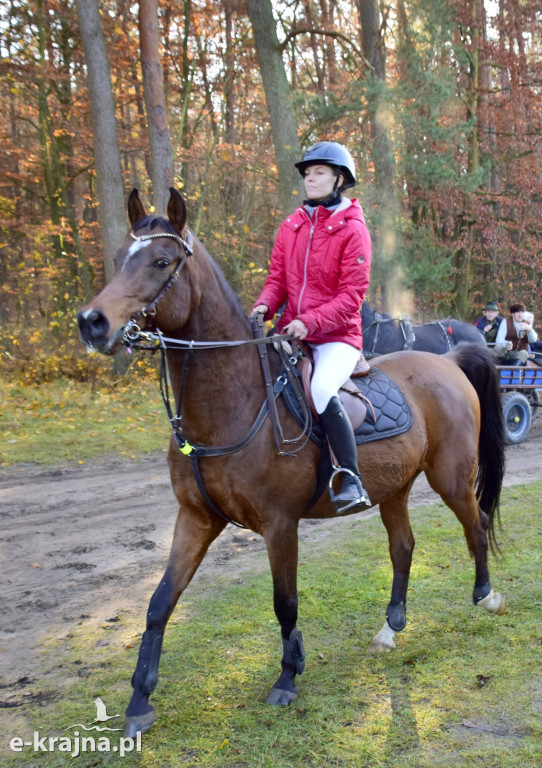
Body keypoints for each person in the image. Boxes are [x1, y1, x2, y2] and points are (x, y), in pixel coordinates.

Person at [252, 141, 372, 514]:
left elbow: (352, 296)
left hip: (338, 337)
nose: (310, 178)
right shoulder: (292, 226)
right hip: (292, 331)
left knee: (320, 387)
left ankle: (349, 478)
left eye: (319, 171)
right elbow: (277, 280)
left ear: (340, 179)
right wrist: (265, 305)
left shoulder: (354, 229)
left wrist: (312, 322)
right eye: (307, 173)